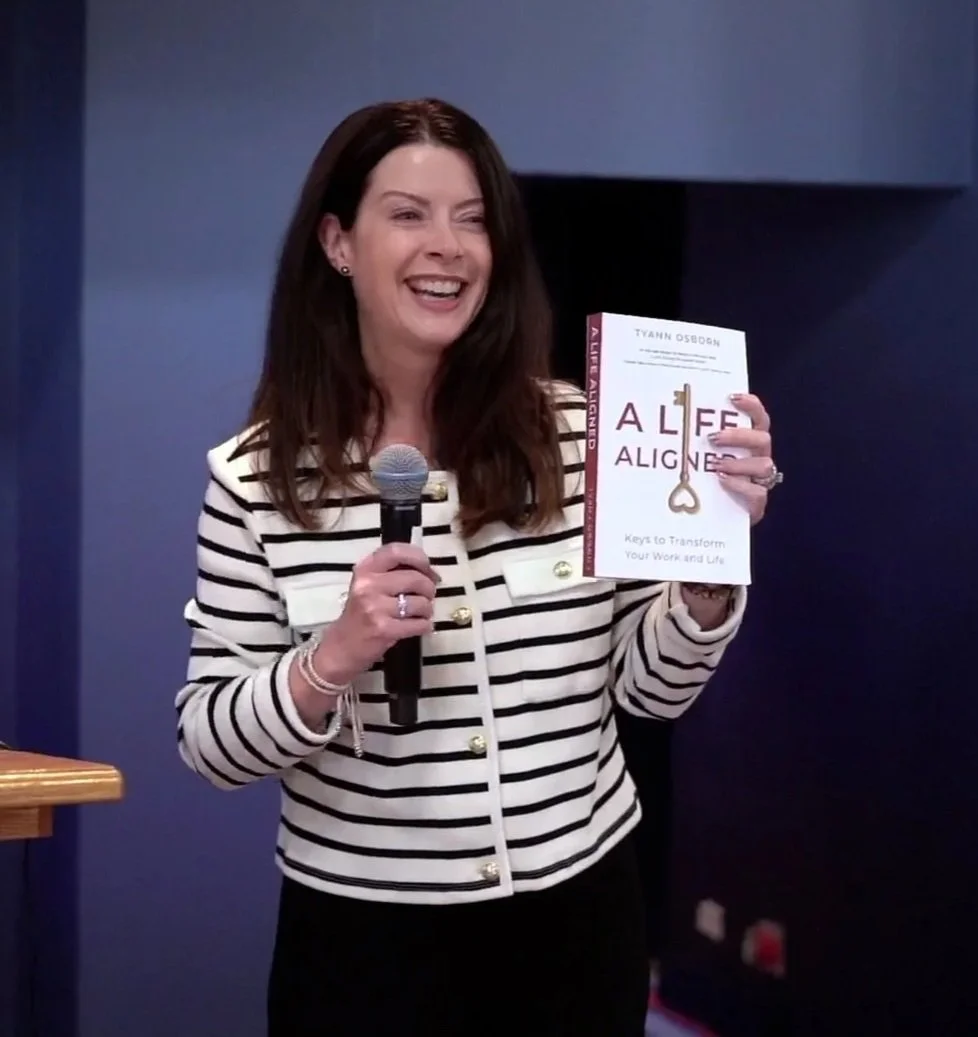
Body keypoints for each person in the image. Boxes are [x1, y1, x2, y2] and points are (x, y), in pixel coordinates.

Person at [174, 98, 781, 1037]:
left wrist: (707, 574)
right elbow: (213, 745)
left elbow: (649, 691)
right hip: (364, 943)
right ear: (339, 242)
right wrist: (330, 658)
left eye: (472, 218)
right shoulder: (255, 477)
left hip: (578, 922)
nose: (447, 246)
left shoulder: (582, 434)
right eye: (409, 214)